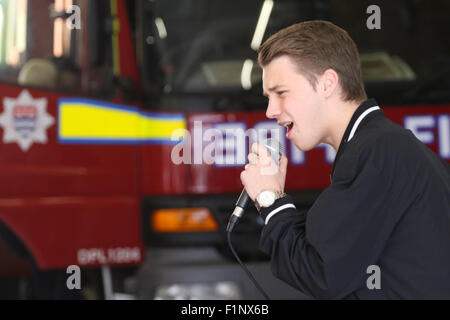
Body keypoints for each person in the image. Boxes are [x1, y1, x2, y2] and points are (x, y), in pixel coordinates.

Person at [240, 20, 450, 299]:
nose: (270, 111)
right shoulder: (381, 145)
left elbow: (321, 273)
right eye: (268, 97)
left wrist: (269, 199)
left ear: (327, 84)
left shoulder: (376, 153)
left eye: (281, 93)